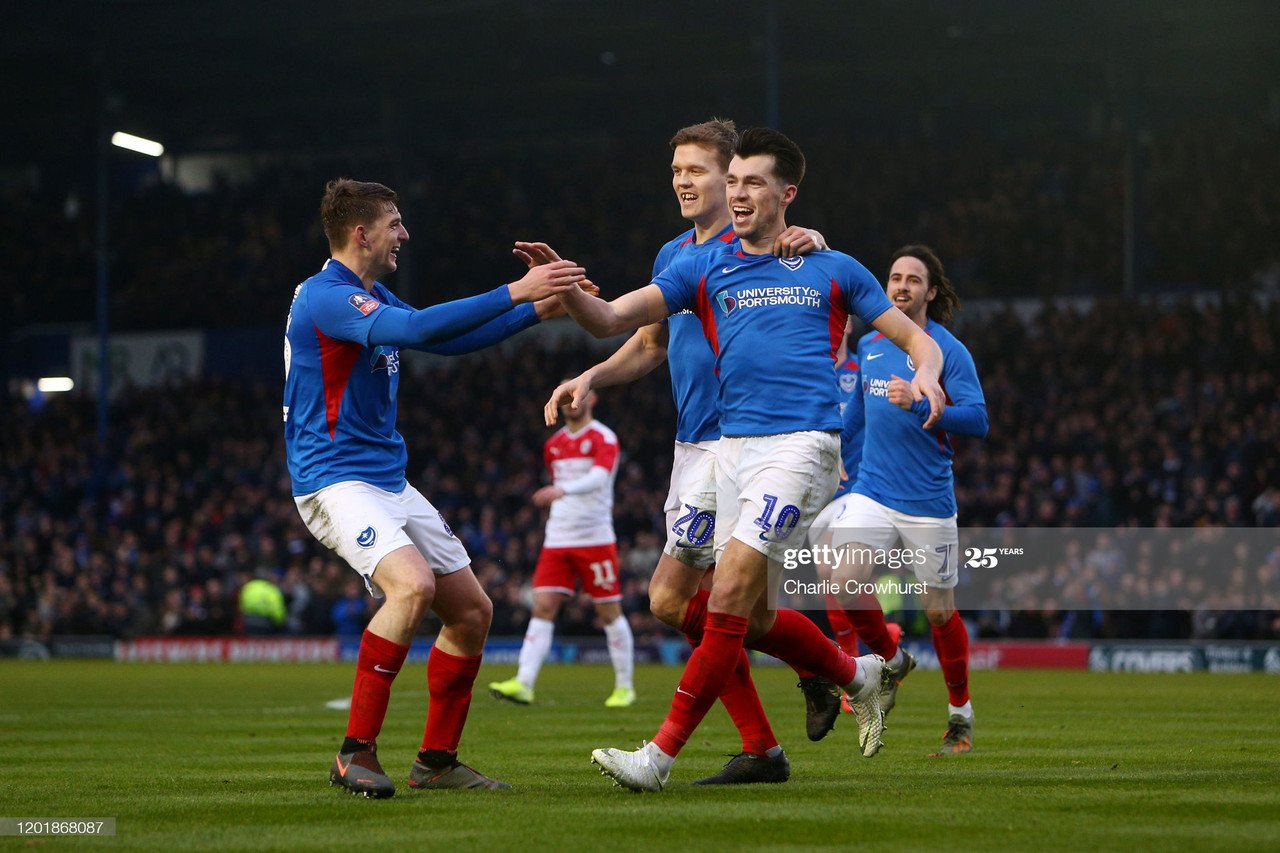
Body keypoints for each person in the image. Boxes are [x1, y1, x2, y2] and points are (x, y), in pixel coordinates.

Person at [545, 128, 946, 791]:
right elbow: (616, 319)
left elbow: (914, 340)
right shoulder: (693, 263)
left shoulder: (826, 263)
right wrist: (566, 291)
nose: (732, 191)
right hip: (721, 450)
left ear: (786, 194)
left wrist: (928, 373)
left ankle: (660, 758)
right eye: (728, 180)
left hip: (800, 448)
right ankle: (853, 675)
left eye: (745, 180)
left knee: (728, 594)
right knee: (679, 599)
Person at [536, 119, 833, 786]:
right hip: (691, 444)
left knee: (708, 603)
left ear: (731, 179)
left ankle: (760, 733)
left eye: (695, 170)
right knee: (705, 610)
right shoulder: (674, 255)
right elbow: (647, 345)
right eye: (675, 171)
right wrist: (589, 377)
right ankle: (820, 678)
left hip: (749, 446)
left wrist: (814, 240)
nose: (681, 180)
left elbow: (818, 286)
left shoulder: (763, 245)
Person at [284, 177, 587, 797]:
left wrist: (533, 311)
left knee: (473, 612)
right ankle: (354, 753)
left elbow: (446, 342)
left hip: (385, 479)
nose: (405, 234)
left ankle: (436, 762)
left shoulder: (370, 294)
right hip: (334, 479)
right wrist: (515, 290)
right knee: (412, 587)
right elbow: (421, 330)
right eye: (395, 223)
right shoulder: (324, 297)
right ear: (361, 233)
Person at [815, 244, 988, 755]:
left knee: (939, 613)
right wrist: (836, 453)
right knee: (843, 578)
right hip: (873, 489)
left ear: (931, 292)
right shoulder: (870, 343)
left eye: (913, 280)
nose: (901, 287)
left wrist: (921, 405)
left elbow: (977, 419)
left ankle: (960, 715)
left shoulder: (948, 351)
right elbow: (857, 419)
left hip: (929, 500)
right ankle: (892, 659)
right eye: (894, 278)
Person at [487, 389, 635, 707]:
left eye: (576, 397)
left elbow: (600, 477)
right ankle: (524, 682)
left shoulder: (603, 438)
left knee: (609, 611)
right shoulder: (553, 445)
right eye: (564, 399)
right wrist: (560, 492)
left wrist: (562, 489)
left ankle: (624, 686)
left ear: (592, 399)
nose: (570, 403)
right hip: (557, 537)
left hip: (594, 536)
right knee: (543, 606)